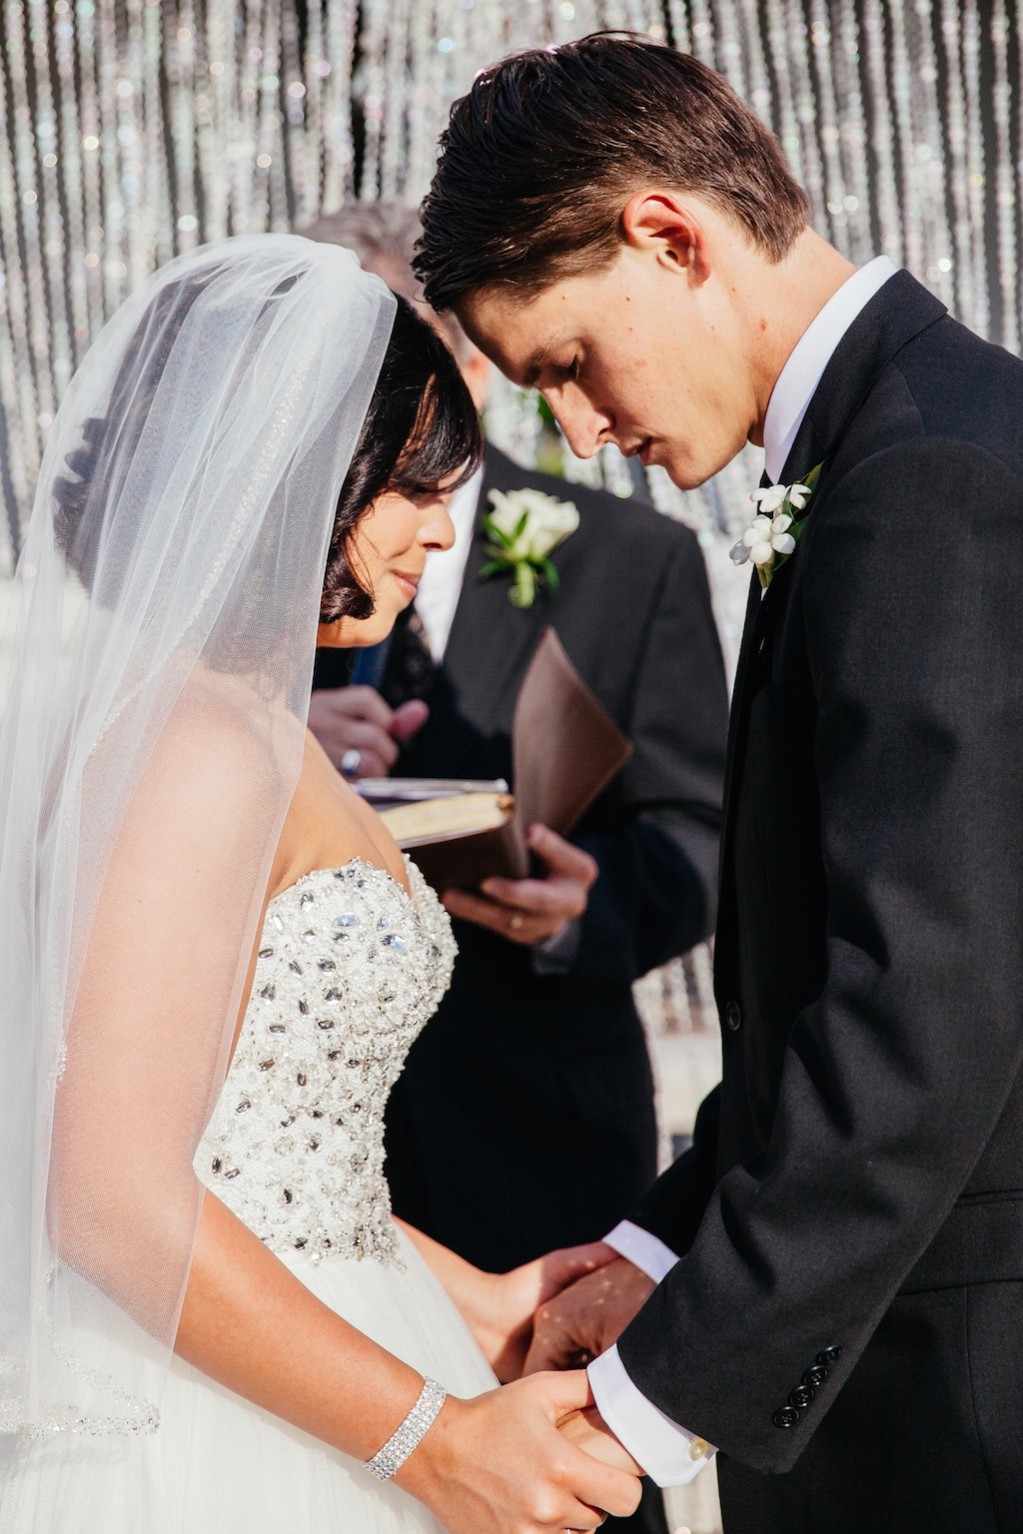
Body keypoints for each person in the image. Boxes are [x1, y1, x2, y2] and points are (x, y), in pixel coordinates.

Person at [414, 32, 1023, 1534]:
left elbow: (920, 1011)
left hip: (952, 1391)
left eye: (562, 362)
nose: (575, 431)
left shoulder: (920, 481)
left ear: (666, 236)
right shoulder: (907, 434)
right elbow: (817, 987)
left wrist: (638, 1402)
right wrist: (655, 1245)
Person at [0, 234, 643, 1534]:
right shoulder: (197, 743)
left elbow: (261, 1160)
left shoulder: (252, 719)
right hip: (208, 1423)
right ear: (307, 474)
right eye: (417, 484)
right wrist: (430, 1440)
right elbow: (114, 1192)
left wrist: (480, 1300)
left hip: (323, 1327)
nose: (442, 525)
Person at [301, 204, 728, 1288]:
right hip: (311, 1141)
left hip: (546, 1138)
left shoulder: (632, 562)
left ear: (471, 373)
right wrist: (281, 745)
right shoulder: (249, 593)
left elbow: (706, 831)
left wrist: (589, 908)